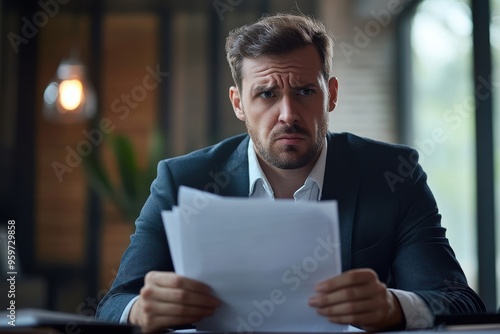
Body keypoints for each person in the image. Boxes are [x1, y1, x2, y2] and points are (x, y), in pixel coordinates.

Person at [96, 13, 485, 333]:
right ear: (238, 103)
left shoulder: (394, 174)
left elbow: (460, 301)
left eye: (304, 91)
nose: (287, 114)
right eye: (266, 94)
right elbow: (114, 304)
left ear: (330, 93)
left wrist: (395, 306)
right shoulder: (182, 181)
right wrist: (140, 311)